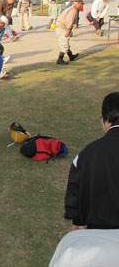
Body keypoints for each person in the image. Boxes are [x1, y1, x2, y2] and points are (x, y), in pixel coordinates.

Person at [64, 92, 119, 230]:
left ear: (106, 120)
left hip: (100, 231)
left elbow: (75, 188)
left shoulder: (87, 154)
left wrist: (77, 219)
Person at [55, 0, 83, 65]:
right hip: (63, 27)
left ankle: (71, 56)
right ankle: (60, 59)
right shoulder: (73, 10)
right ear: (77, 3)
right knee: (64, 43)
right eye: (81, 4)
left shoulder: (72, 8)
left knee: (65, 43)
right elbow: (69, 21)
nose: (81, 6)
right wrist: (68, 30)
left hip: (60, 26)